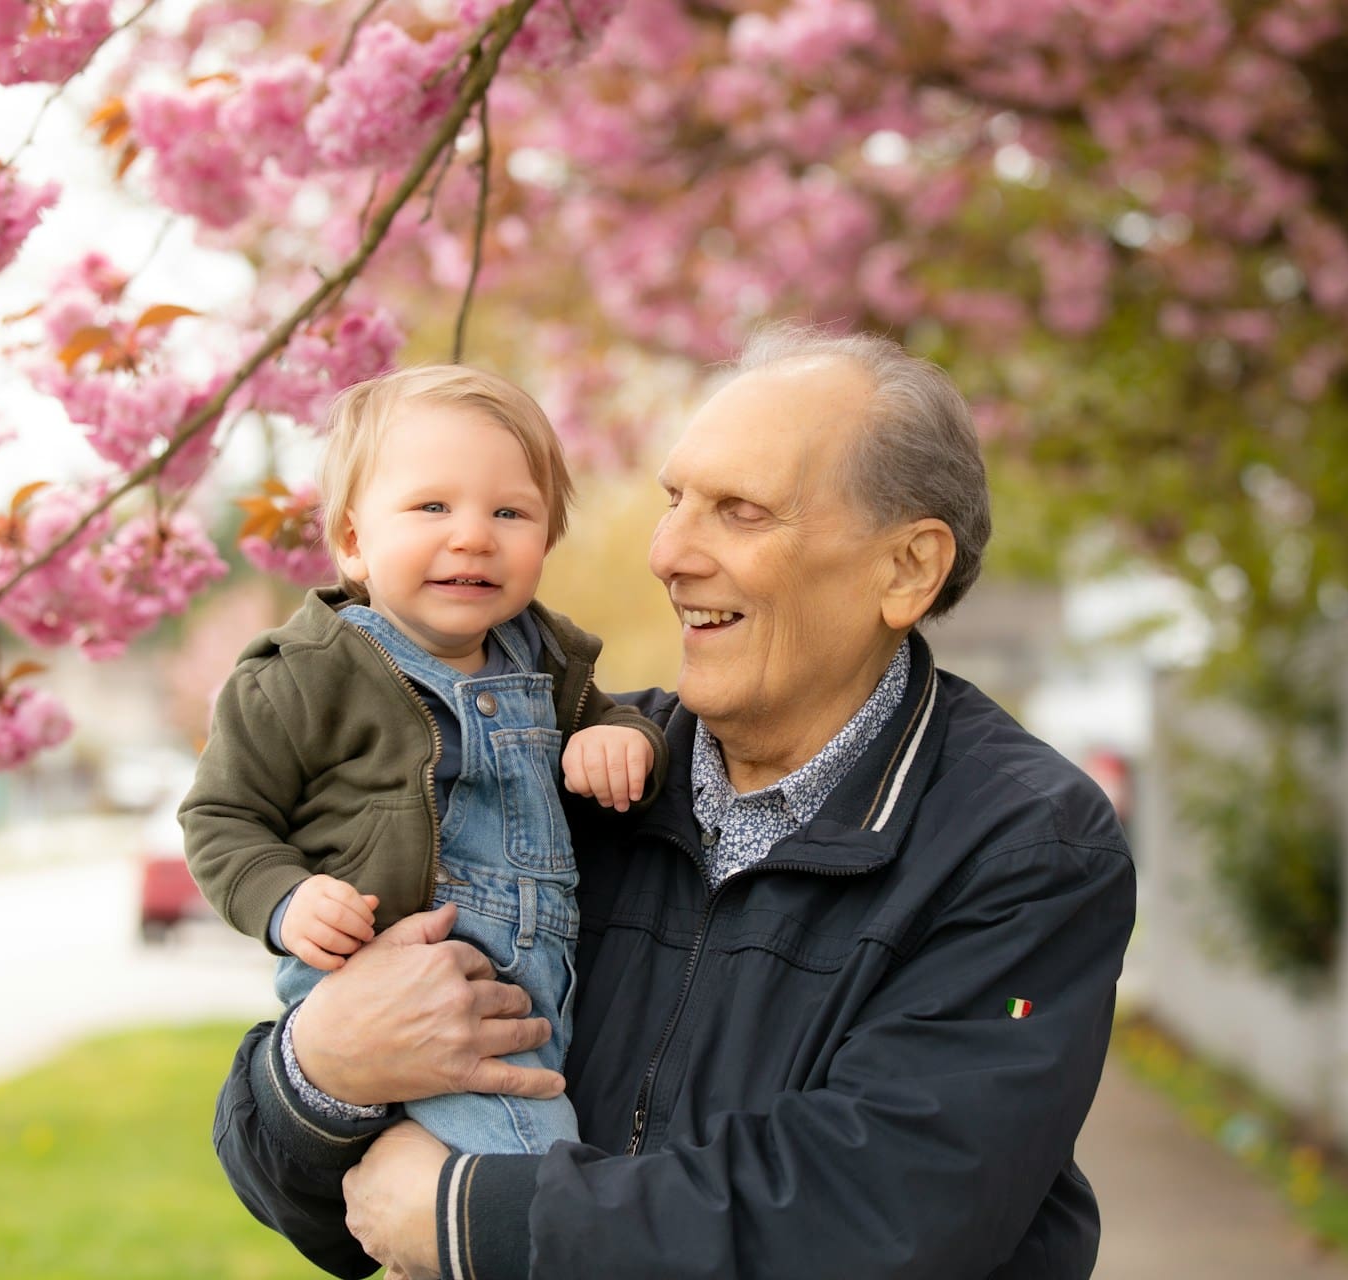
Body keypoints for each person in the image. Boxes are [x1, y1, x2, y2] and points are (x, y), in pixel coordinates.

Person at [211, 325, 1136, 1279]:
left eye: (739, 510)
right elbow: (300, 1192)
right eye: (674, 501)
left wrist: (471, 1216)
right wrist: (321, 1071)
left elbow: (888, 1207)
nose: (667, 552)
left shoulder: (1023, 846)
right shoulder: (562, 775)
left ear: (905, 569)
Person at [183, 364, 666, 1158]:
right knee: (533, 1174)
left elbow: (607, 726)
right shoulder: (305, 675)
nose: (473, 534)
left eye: (510, 511)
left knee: (503, 1181)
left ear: (545, 539)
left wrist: (623, 742)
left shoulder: (547, 662)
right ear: (352, 540)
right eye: (432, 507)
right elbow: (221, 815)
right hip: (389, 989)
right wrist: (285, 899)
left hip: (535, 994)